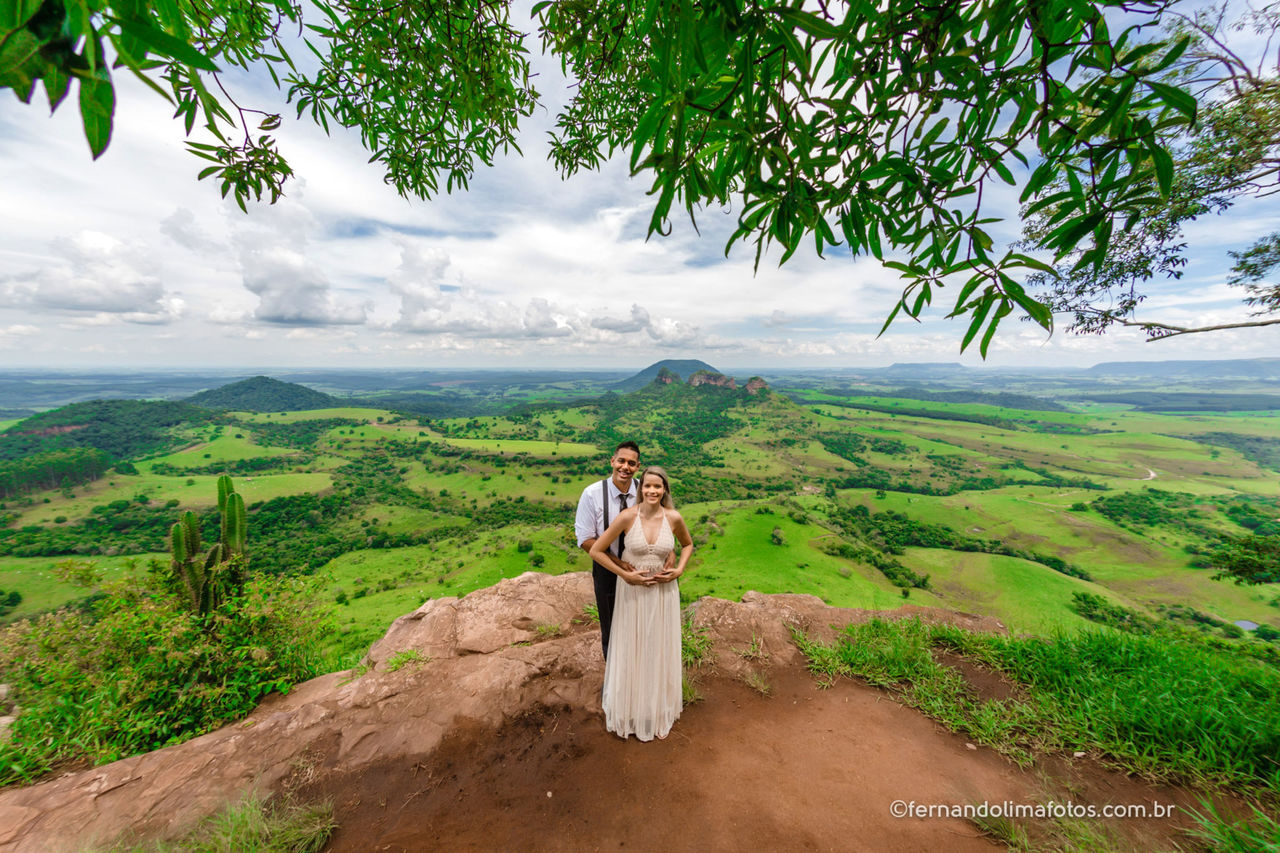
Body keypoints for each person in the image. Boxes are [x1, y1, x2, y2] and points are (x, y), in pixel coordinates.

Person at [589, 466, 693, 741]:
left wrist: (679, 570)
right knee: (632, 645)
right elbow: (597, 550)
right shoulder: (627, 517)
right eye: (647, 486)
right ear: (640, 488)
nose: (652, 491)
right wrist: (624, 575)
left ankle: (655, 708)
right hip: (632, 593)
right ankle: (631, 708)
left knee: (657, 646)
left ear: (665, 490)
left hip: (663, 593)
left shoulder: (673, 517)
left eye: (657, 486)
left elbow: (688, 544)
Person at [575, 441, 641, 659]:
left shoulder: (645, 490)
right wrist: (619, 564)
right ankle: (614, 673)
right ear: (612, 461)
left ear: (638, 467)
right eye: (621, 461)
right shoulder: (592, 494)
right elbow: (585, 539)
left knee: (641, 624)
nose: (625, 467)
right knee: (611, 627)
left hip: (641, 568)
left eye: (631, 463)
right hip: (606, 570)